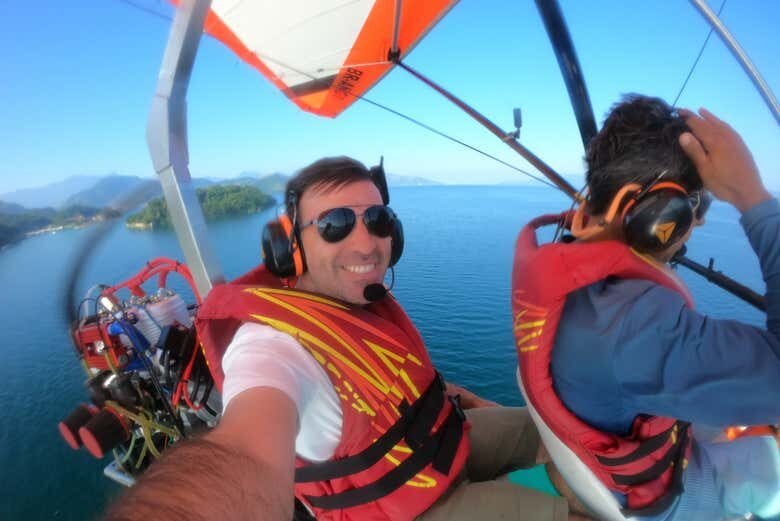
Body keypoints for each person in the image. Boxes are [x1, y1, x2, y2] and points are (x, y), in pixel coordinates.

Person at [103, 156, 586, 521]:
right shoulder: (270, 346)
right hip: (412, 510)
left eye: (377, 221)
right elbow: (245, 453)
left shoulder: (352, 303)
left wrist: (460, 398)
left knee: (556, 429)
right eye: (334, 225)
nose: (364, 243)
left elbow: (389, 389)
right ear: (288, 246)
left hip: (441, 441)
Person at [511, 94, 780, 521]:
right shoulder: (636, 328)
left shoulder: (564, 261)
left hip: (616, 439)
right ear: (653, 212)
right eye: (696, 204)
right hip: (664, 497)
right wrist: (752, 196)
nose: (702, 221)